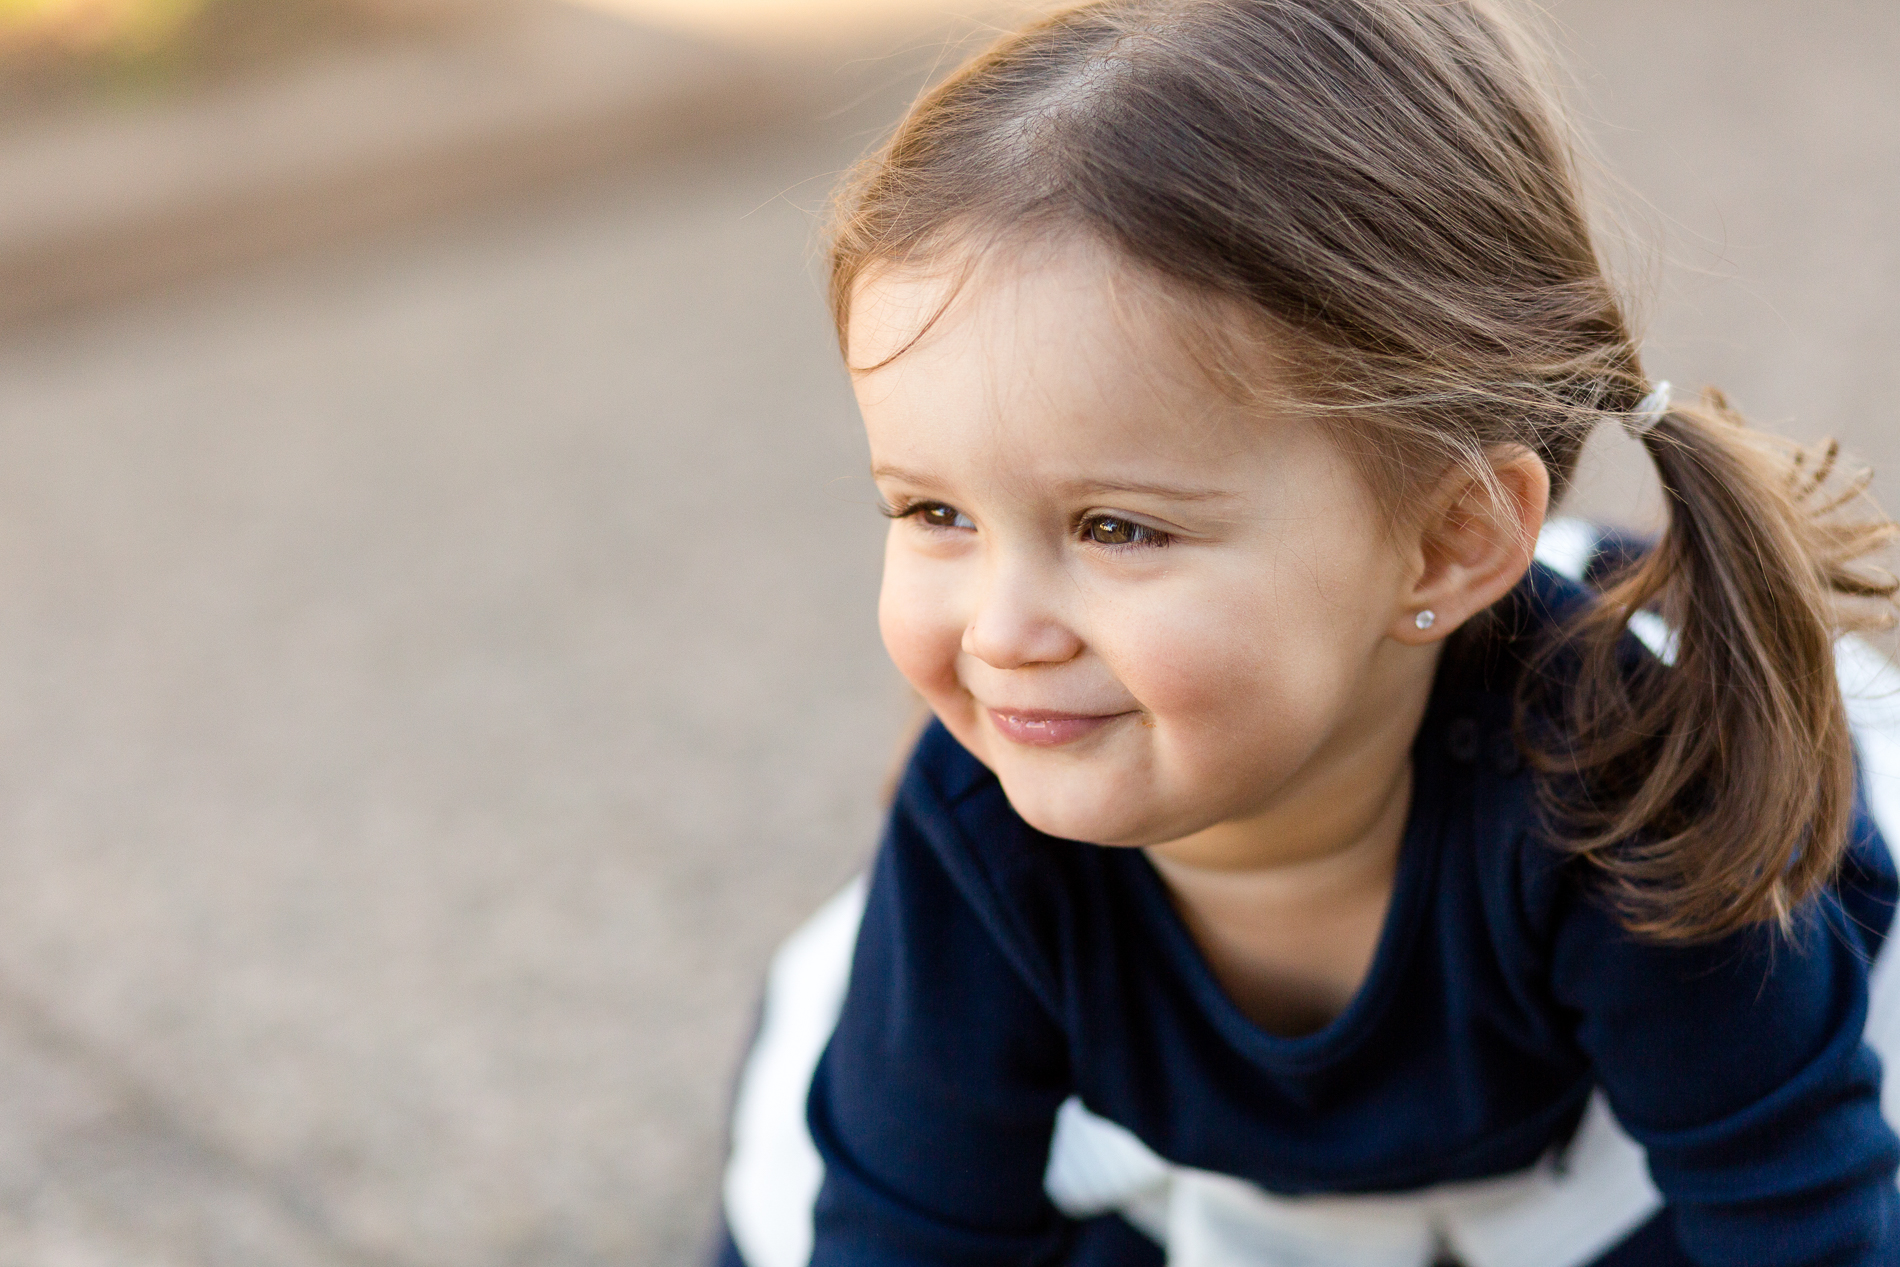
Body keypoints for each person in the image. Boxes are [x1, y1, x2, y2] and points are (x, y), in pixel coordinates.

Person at [714, 1, 1900, 1263]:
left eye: (1118, 528)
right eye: (935, 511)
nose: (1001, 632)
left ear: (1447, 541)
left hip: (1612, 1139)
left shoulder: (1635, 794)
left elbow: (1792, 1215)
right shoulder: (981, 833)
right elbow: (905, 1230)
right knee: (808, 1152)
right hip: (1205, 1152)